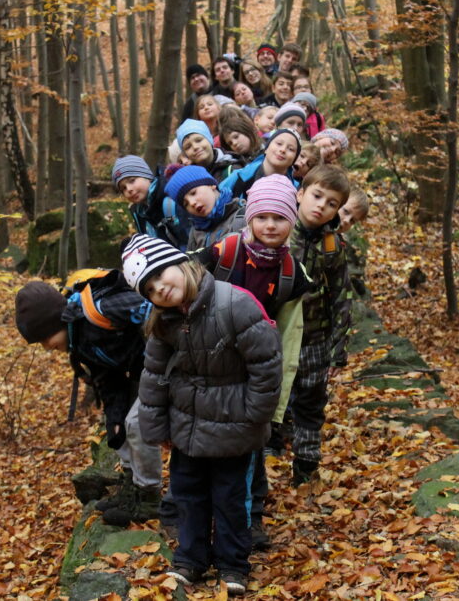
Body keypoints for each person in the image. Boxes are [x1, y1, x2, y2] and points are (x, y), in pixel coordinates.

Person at [124, 234, 281, 596]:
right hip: (187, 427)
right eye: (149, 289)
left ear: (182, 265)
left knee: (229, 497)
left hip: (234, 426)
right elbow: (154, 375)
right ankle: (191, 559)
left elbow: (266, 366)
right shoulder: (164, 322)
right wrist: (157, 426)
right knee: (188, 494)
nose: (160, 289)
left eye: (162, 276)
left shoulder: (234, 305)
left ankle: (232, 564)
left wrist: (254, 416)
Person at [195, 175, 309, 551]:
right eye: (262, 217)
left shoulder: (293, 275)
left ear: (292, 221)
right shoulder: (221, 255)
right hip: (210, 366)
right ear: (250, 219)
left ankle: (251, 516)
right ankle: (196, 514)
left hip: (256, 373)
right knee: (204, 440)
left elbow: (290, 341)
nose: (270, 225)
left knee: (253, 448)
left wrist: (277, 406)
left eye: (280, 217)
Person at [14, 274, 164, 526]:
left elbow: (154, 313)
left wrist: (164, 358)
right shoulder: (80, 342)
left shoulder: (101, 312)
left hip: (164, 363)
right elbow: (109, 381)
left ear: (57, 322)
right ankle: (131, 486)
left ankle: (149, 496)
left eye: (44, 339)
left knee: (137, 424)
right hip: (141, 372)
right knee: (119, 427)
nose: (46, 348)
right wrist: (114, 419)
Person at [288, 164, 353, 486]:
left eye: (331, 204)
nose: (321, 206)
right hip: (276, 336)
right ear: (300, 193)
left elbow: (342, 294)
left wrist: (338, 347)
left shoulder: (332, 246)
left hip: (314, 339)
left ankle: (306, 462)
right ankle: (268, 449)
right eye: (316, 196)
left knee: (310, 402)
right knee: (271, 398)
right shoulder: (277, 231)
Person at [113, 155, 191, 250]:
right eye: (123, 188)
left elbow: (188, 240)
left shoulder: (170, 201)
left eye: (132, 181)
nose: (129, 189)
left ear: (147, 176)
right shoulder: (139, 212)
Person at [165, 165, 246, 250]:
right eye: (186, 204)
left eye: (193, 193)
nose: (192, 203)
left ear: (211, 185)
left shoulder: (243, 215)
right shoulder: (195, 232)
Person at [220, 128, 300, 199]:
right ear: (266, 148)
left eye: (291, 149)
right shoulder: (239, 177)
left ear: (294, 159)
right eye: (279, 144)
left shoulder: (296, 190)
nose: (283, 150)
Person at [176, 118, 242, 181]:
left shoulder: (232, 169)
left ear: (210, 139)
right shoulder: (189, 179)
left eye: (198, 140)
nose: (195, 147)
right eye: (188, 147)